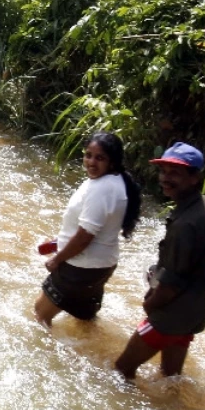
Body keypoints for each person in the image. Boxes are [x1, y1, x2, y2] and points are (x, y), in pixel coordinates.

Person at [114, 142, 205, 379]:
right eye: (163, 171)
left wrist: (149, 305)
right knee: (171, 376)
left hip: (169, 317)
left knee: (121, 370)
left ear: (194, 177)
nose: (165, 178)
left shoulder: (184, 224)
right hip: (194, 315)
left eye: (174, 173)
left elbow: (170, 286)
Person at [34, 132, 142, 327]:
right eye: (88, 155)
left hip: (79, 268)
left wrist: (57, 259)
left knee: (41, 315)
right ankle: (90, 355)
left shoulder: (102, 189)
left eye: (99, 158)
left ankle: (52, 356)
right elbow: (89, 226)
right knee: (84, 320)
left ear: (112, 162)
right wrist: (61, 240)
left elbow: (85, 236)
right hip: (99, 267)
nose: (91, 162)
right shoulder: (114, 182)